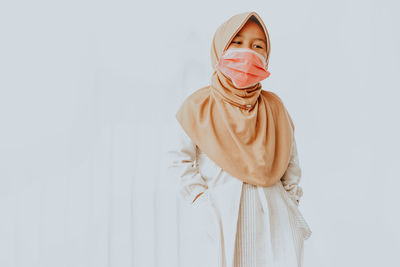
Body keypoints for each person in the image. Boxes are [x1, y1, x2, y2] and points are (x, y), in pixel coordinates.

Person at [168, 11, 312, 267]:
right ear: (220, 47)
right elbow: (178, 161)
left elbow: (291, 163)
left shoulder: (274, 108)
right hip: (220, 218)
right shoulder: (199, 106)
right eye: (237, 43)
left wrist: (291, 205)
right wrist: (200, 201)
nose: (248, 53)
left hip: (274, 221)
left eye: (258, 46)